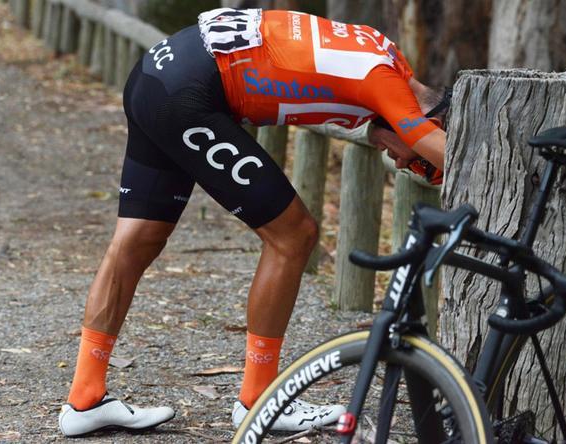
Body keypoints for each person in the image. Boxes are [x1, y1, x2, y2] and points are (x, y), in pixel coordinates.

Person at [58, 7, 448, 437]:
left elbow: (310, 67)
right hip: (191, 93)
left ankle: (84, 399)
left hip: (158, 71)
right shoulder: (388, 84)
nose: (402, 163)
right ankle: (259, 402)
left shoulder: (386, 55)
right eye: (416, 164)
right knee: (294, 236)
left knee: (136, 239)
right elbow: (436, 146)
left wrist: (393, 135)